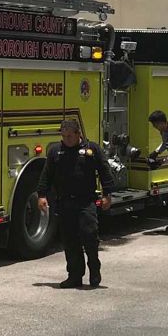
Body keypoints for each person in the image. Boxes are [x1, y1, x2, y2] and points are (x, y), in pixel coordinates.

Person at [37, 118, 115, 288]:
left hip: (86, 202)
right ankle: (74, 275)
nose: (67, 140)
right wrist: (41, 195)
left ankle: (94, 270)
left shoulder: (91, 149)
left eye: (70, 136)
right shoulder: (55, 151)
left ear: (78, 134)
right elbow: (46, 175)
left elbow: (104, 171)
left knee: (90, 236)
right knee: (70, 241)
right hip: (64, 203)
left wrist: (107, 194)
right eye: (64, 136)